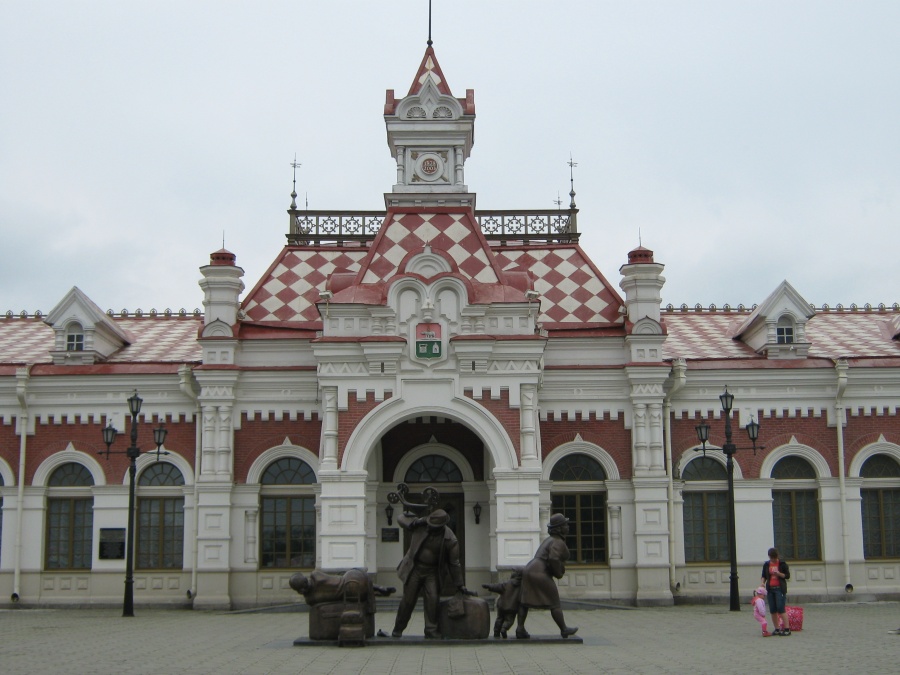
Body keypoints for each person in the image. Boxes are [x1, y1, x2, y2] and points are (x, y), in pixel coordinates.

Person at [391, 508, 473, 639]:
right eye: (430, 524)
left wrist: (459, 584)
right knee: (408, 600)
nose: (431, 527)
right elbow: (401, 519)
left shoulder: (450, 539)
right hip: (415, 569)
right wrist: (417, 521)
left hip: (432, 572)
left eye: (434, 526)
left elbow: (454, 563)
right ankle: (397, 629)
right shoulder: (422, 526)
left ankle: (431, 630)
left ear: (442, 526)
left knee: (433, 600)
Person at [515, 513, 578, 639]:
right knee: (554, 602)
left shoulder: (549, 540)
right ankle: (564, 629)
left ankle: (520, 628)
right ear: (559, 528)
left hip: (530, 568)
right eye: (565, 524)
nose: (568, 526)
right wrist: (558, 573)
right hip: (539, 571)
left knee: (524, 601)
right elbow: (554, 559)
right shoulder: (558, 541)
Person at [482, 567, 523, 638]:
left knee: (499, 618)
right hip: (512, 607)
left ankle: (496, 632)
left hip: (501, 605)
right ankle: (504, 629)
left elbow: (497, 586)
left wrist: (488, 586)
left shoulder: (507, 583)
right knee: (509, 620)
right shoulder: (522, 586)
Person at [760, 547, 791, 636]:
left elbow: (787, 576)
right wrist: (762, 583)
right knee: (773, 610)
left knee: (781, 609)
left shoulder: (782, 564)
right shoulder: (766, 564)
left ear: (777, 556)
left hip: (779, 589)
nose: (773, 559)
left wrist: (779, 574)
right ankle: (777, 628)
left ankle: (787, 629)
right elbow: (763, 575)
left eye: (774, 558)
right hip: (770, 589)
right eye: (771, 558)